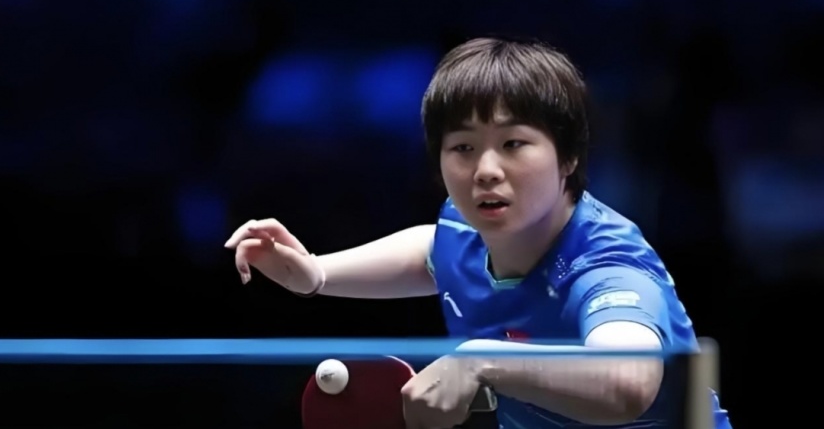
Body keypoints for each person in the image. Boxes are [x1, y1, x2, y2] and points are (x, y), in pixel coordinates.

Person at [224, 37, 732, 428]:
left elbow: (627, 381)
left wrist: (483, 361)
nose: (486, 170)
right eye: (463, 148)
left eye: (513, 144)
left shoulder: (606, 265)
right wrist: (316, 273)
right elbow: (433, 249)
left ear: (569, 157)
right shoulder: (467, 223)